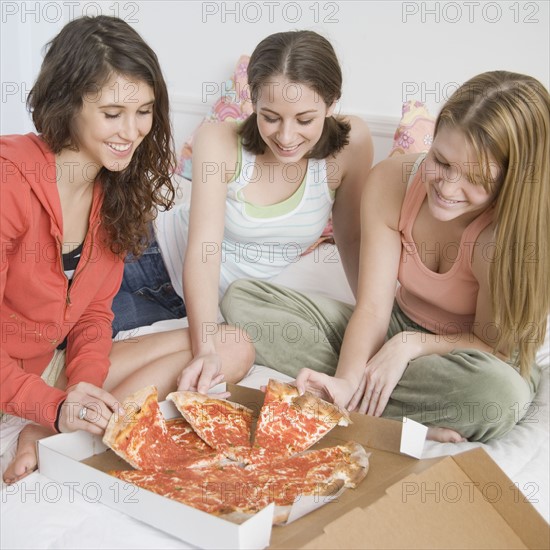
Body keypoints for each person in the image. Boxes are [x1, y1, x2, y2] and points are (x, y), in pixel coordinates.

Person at [221, 71, 550, 443]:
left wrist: (410, 346)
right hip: (393, 325)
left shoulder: (508, 237)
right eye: (440, 160)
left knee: (500, 396)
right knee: (243, 300)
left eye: (474, 178)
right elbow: (373, 308)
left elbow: (494, 345)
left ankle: (381, 410)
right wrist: (346, 381)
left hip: (474, 357)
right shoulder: (393, 181)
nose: (447, 187)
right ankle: (381, 409)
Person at [0, 15, 253, 485]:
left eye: (144, 111)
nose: (132, 131)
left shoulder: (115, 188)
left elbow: (96, 316)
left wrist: (82, 388)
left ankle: (44, 433)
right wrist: (55, 405)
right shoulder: (9, 181)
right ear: (67, 104)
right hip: (7, 380)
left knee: (231, 346)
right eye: (112, 113)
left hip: (45, 368)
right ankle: (53, 425)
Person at [111, 30, 374, 392]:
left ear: (331, 103)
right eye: (270, 117)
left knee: (110, 370)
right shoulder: (219, 141)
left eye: (304, 120)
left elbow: (353, 238)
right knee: (46, 338)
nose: (285, 136)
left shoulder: (351, 145)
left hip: (202, 309)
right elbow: (205, 251)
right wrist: (205, 348)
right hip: (144, 260)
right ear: (252, 101)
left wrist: (374, 319)